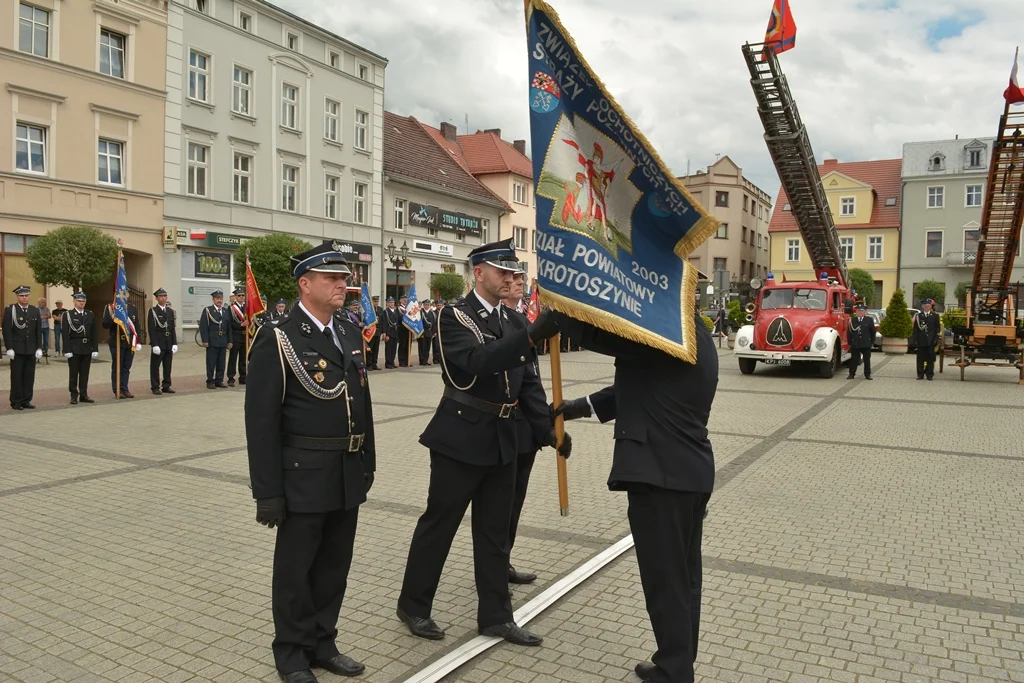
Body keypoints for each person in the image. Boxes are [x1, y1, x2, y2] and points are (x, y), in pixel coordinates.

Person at [396, 238, 563, 647]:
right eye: (502, 271)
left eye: (514, 272)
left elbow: (528, 387)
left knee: (493, 533)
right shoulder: (454, 316)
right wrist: (529, 337)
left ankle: (496, 616)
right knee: (440, 525)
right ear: (479, 273)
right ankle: (414, 605)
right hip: (461, 436)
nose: (510, 278)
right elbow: (477, 363)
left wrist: (548, 432)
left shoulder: (514, 322)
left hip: (504, 437)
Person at [554, 310, 718, 683]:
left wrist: (563, 314)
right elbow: (642, 386)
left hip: (661, 477)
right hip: (687, 472)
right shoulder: (695, 333)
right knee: (684, 578)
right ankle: (677, 661)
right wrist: (580, 407)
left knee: (666, 581)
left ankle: (675, 670)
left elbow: (607, 337)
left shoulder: (669, 330)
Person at [246, 242, 376, 683]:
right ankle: (291, 654)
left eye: (344, 278)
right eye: (332, 278)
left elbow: (363, 401)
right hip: (302, 475)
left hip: (346, 470)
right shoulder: (278, 336)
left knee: (334, 565)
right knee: (295, 571)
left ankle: (323, 643)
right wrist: (267, 492)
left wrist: (368, 461)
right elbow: (261, 422)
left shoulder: (349, 330)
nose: (343, 285)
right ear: (305, 284)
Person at [502, 268, 564, 585]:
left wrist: (547, 430)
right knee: (500, 505)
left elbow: (532, 382)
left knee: (515, 503)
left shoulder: (523, 320)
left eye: (519, 279)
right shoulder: (499, 323)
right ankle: (494, 567)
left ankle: (504, 561)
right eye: (510, 278)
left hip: (525, 428)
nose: (516, 283)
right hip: (504, 427)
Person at [3, 285, 43, 409]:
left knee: (29, 376)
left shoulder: (34, 310)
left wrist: (39, 347)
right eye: (22, 296)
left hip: (30, 348)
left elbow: (38, 330)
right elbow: (7, 330)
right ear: (17, 296)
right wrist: (9, 347)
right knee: (17, 376)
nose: (24, 298)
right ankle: (16, 401)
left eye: (26, 295)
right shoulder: (11, 310)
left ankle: (26, 400)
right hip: (17, 349)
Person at [102, 297, 142, 399]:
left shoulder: (132, 308)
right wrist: (113, 317)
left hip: (129, 342)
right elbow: (105, 324)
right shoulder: (111, 307)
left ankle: (125, 388)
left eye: (126, 292)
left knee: (126, 367)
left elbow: (136, 325)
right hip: (117, 342)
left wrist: (138, 341)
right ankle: (117, 389)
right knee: (117, 367)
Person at [62, 292, 98, 404]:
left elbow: (94, 333)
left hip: (86, 347)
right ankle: (73, 395)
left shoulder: (89, 314)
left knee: (84, 373)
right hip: (74, 347)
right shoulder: (68, 315)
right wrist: (67, 350)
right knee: (73, 374)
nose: (81, 303)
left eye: (83, 301)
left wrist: (95, 348)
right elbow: (65, 334)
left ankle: (84, 394)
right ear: (74, 301)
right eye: (79, 301)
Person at [199, 290, 231, 389]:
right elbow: (203, 326)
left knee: (221, 362)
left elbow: (229, 327)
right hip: (212, 340)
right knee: (211, 362)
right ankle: (210, 381)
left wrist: (230, 341)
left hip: (223, 340)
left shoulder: (225, 311)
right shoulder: (208, 310)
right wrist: (205, 340)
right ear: (213, 300)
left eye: (220, 298)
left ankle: (219, 380)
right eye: (217, 298)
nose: (219, 300)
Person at [148, 288, 178, 395]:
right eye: (161, 296)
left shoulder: (170, 311)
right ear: (156, 298)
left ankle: (166, 385)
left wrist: (174, 343)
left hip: (168, 342)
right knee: (155, 366)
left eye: (165, 296)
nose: (163, 298)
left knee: (167, 365)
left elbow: (172, 328)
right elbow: (151, 329)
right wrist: (154, 344)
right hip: (159, 343)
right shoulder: (153, 311)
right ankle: (155, 387)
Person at [912, 299, 940, 380]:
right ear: (922, 307)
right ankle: (920, 375)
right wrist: (915, 340)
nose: (927, 307)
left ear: (930, 307)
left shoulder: (935, 316)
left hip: (931, 341)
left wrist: (936, 339)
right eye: (925, 306)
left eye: (928, 306)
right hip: (921, 341)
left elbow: (937, 329)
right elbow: (915, 330)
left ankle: (929, 374)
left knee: (930, 359)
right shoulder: (919, 316)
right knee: (920, 359)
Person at [847, 304, 875, 380]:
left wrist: (872, 342)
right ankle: (852, 374)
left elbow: (873, 332)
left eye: (861, 311)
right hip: (855, 343)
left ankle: (867, 374)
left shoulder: (869, 320)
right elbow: (849, 332)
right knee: (854, 360)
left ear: (865, 312)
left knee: (867, 360)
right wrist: (849, 343)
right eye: (858, 311)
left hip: (866, 343)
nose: (859, 312)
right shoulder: (853, 320)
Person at [228, 288, 248, 386]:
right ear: (235, 297)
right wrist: (240, 325)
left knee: (243, 359)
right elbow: (230, 324)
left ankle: (243, 377)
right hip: (235, 336)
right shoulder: (231, 308)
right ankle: (231, 378)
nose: (241, 297)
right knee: (233, 358)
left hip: (245, 337)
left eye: (242, 295)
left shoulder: (247, 308)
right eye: (239, 295)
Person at [382, 297, 400, 369]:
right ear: (387, 303)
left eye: (392, 302)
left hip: (395, 333)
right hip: (389, 333)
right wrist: (385, 333)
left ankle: (392, 362)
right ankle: (388, 363)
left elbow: (398, 321)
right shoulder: (385, 312)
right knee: (388, 349)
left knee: (394, 349)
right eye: (390, 302)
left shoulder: (396, 311)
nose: (392, 304)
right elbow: (384, 323)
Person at [368, 295, 383, 370]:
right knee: (370, 349)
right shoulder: (369, 310)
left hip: (377, 332)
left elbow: (382, 322)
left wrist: (383, 332)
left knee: (376, 349)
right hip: (370, 333)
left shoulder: (380, 309)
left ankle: (374, 363)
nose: (376, 303)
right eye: (375, 301)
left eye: (377, 301)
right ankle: (369, 364)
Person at [418, 300, 434, 366]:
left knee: (427, 347)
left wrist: (433, 332)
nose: (427, 306)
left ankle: (426, 360)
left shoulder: (431, 313)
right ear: (423, 305)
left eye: (428, 305)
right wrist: (420, 332)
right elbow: (418, 323)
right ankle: (422, 361)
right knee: (422, 347)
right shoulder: (421, 312)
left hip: (429, 333)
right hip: (423, 333)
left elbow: (433, 323)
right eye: (425, 305)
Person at [397, 295, 410, 367]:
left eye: (406, 299)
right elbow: (399, 319)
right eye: (403, 299)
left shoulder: (409, 308)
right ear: (400, 300)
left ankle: (407, 360)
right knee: (402, 345)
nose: (405, 300)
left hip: (408, 329)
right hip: (402, 329)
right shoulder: (399, 309)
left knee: (408, 345)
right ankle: (401, 361)